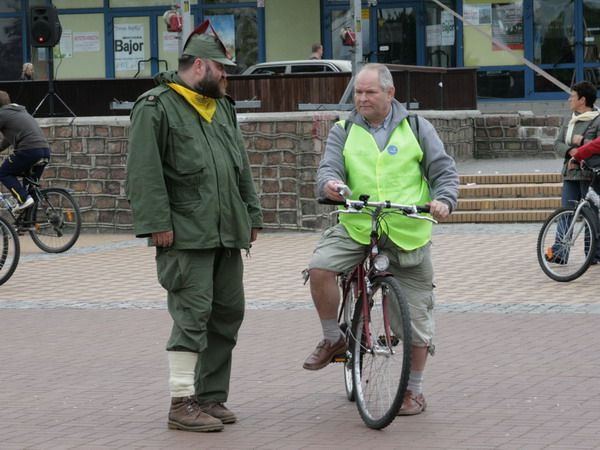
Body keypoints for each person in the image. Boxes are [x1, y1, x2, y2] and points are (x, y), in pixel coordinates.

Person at [124, 21, 263, 433]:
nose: (227, 75)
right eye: (222, 68)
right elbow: (143, 173)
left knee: (227, 314)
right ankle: (180, 402)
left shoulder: (222, 106)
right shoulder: (155, 106)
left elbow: (241, 167)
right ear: (200, 65)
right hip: (184, 233)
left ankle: (209, 397)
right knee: (192, 313)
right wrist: (156, 224)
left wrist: (251, 215)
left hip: (225, 231)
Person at [303, 63, 459, 415]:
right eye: (358, 92)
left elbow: (444, 171)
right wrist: (329, 184)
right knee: (320, 268)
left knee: (416, 317)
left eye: (369, 92)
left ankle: (413, 392)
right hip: (358, 223)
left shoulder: (417, 127)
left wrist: (444, 200)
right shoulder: (343, 129)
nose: (362, 98)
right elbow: (329, 168)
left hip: (407, 229)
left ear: (390, 93)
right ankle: (333, 337)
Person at [551, 80, 600, 263]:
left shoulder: (598, 118)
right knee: (566, 212)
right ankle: (560, 253)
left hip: (589, 174)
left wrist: (583, 144)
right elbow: (557, 143)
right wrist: (571, 151)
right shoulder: (568, 118)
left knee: (591, 214)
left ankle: (593, 253)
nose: (569, 99)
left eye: (572, 96)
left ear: (583, 99)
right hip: (570, 173)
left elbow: (597, 145)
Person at [0, 90, 50, 213]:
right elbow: (7, 140)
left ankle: (22, 199)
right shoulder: (19, 112)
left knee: (3, 173)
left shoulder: (2, 114)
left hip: (28, 150)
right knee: (30, 189)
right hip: (45, 151)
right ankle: (27, 223)